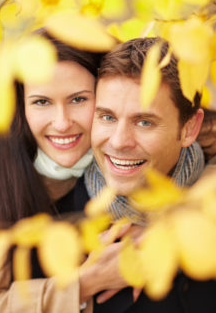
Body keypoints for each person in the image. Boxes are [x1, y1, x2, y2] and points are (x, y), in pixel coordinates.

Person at [0, 31, 129, 313]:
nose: (62, 123)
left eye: (78, 100)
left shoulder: (131, 139)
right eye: (41, 102)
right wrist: (85, 283)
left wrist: (163, 226)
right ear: (20, 107)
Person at [84, 37, 216, 312]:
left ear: (189, 129)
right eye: (107, 117)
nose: (119, 141)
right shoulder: (52, 219)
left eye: (144, 122)